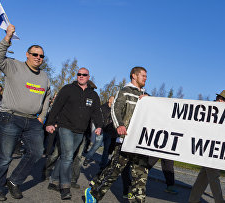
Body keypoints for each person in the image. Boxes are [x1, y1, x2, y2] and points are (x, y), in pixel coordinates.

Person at [0, 24, 51, 201]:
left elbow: (47, 97)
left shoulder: (44, 76)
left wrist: (42, 117)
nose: (38, 57)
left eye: (41, 55)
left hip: (33, 122)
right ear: (27, 55)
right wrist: (7, 38)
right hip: (10, 117)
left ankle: (14, 181)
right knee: (5, 158)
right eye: (35, 54)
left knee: (37, 152)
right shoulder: (13, 66)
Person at [85, 66, 150, 203]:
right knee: (114, 171)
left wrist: (149, 102)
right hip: (125, 140)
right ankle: (93, 192)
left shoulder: (147, 96)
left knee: (141, 175)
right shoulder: (124, 91)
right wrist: (119, 125)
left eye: (146, 76)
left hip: (140, 142)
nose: (145, 78)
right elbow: (116, 109)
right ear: (134, 75)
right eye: (143, 75)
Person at [45, 68, 103, 200]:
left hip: (80, 131)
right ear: (77, 76)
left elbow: (96, 113)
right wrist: (50, 122)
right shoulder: (68, 89)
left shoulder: (93, 95)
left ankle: (53, 180)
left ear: (88, 77)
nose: (81, 76)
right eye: (79, 74)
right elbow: (56, 106)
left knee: (64, 155)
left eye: (84, 75)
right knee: (68, 156)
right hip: (65, 127)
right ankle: (65, 187)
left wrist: (99, 126)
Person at [188, 90, 225, 203]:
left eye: (224, 100)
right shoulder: (209, 110)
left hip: (216, 150)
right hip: (207, 148)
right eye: (220, 98)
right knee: (210, 177)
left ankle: (194, 200)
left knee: (207, 177)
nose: (220, 100)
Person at [83, 96, 116, 170]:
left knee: (106, 149)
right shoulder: (103, 108)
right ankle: (87, 158)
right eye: (113, 100)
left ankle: (103, 165)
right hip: (102, 130)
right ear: (109, 100)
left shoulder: (114, 110)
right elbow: (98, 118)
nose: (114, 101)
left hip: (109, 132)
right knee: (96, 145)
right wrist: (99, 126)